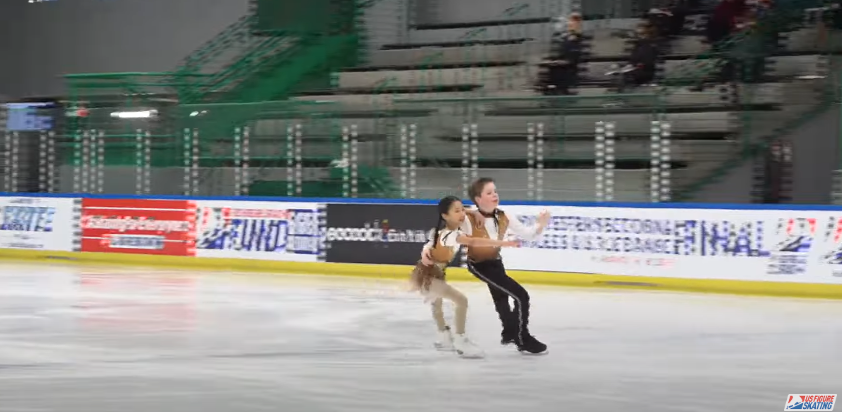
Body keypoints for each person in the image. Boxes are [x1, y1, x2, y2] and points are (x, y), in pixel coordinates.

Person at [421, 178, 551, 355]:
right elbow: (443, 232)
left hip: (496, 261)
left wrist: (540, 225)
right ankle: (522, 338)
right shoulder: (466, 218)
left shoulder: (504, 215)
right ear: (478, 199)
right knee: (521, 296)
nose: (495, 195)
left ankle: (508, 332)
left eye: (495, 191)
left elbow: (528, 234)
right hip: (479, 265)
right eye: (489, 193)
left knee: (501, 297)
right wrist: (427, 248)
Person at [410, 195, 520, 359]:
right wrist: (505, 243)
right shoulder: (450, 235)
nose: (462, 213)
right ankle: (460, 340)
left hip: (434, 272)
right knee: (461, 301)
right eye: (457, 211)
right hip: (429, 275)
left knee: (437, 304)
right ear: (445, 216)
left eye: (463, 209)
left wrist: (473, 213)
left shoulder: (444, 231)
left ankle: (444, 337)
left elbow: (430, 244)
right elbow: (474, 242)